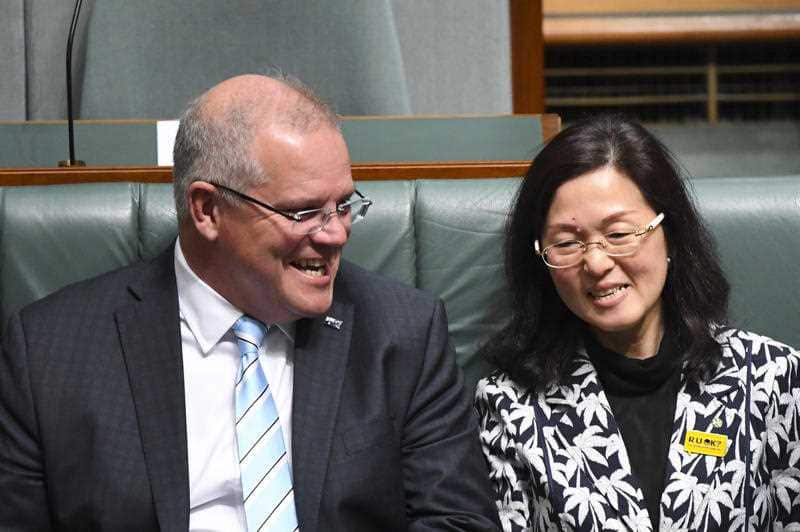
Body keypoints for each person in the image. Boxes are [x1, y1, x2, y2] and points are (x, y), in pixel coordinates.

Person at [0, 73, 500, 531]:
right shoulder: (48, 352)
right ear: (207, 210)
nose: (336, 234)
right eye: (304, 212)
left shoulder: (402, 333)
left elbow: (458, 521)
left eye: (344, 205)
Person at [475, 114, 800, 531]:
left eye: (619, 234)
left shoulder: (773, 380)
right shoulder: (509, 405)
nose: (596, 262)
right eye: (568, 243)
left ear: (670, 233)